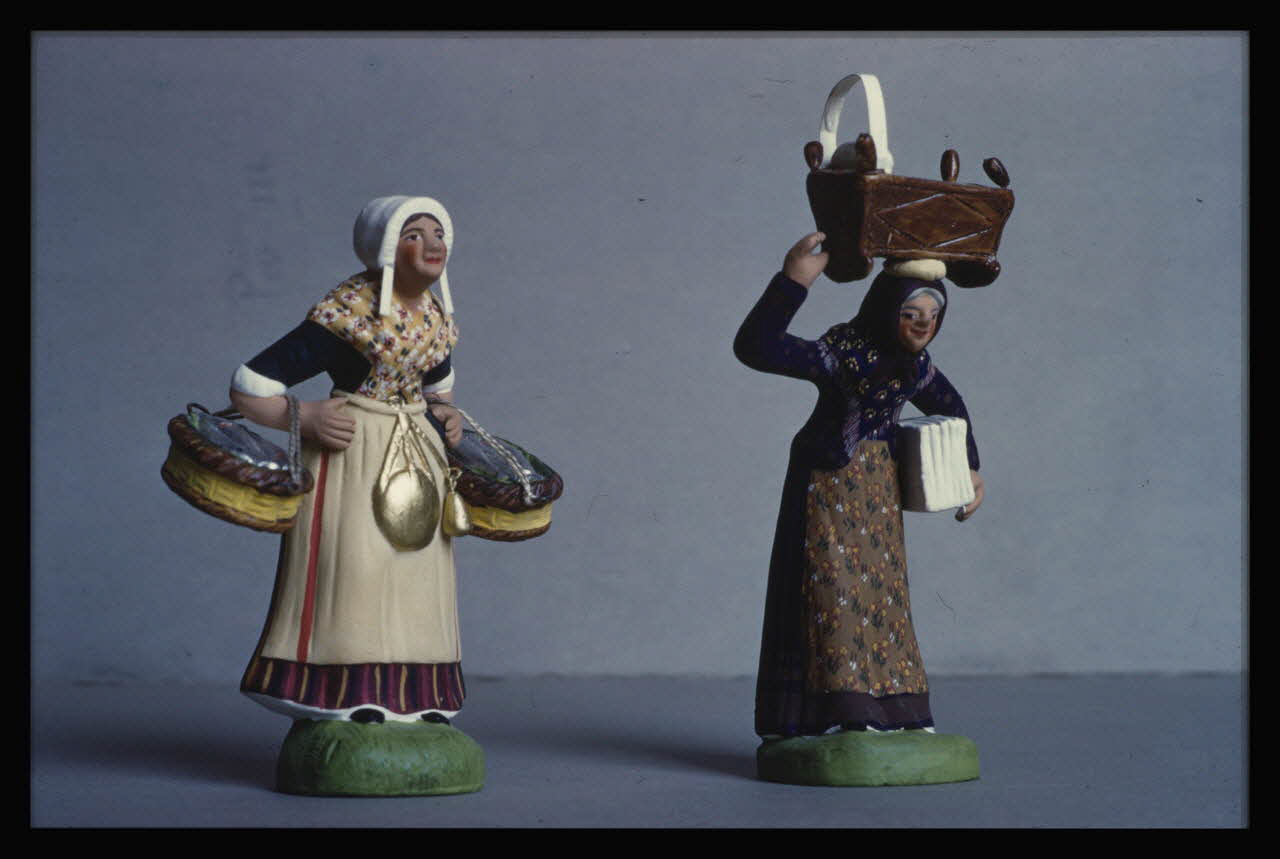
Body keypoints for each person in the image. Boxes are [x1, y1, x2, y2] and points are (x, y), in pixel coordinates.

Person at [734, 232, 984, 738]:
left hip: (878, 492)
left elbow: (952, 408)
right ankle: (846, 710)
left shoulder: (915, 368)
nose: (922, 327)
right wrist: (794, 280)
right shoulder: (844, 354)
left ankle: (900, 710)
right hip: (827, 483)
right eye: (911, 314)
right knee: (834, 591)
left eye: (931, 317)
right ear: (886, 309)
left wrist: (968, 467)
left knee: (885, 597)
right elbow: (756, 346)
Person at [231, 196, 470, 725]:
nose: (433, 244)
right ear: (386, 247)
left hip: (418, 456)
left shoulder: (433, 316)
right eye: (415, 233)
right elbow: (250, 386)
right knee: (356, 572)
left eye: (439, 233)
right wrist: (308, 417)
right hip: (352, 455)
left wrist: (446, 418)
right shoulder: (349, 314)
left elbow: (440, 392)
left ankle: (415, 698)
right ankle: (341, 696)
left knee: (417, 576)